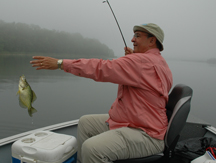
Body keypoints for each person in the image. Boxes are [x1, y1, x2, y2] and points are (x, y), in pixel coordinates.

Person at [30, 23, 173, 163]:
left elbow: (101, 68)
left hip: (147, 135)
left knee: (92, 149)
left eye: (137, 36)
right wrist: (131, 62)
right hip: (137, 122)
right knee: (86, 123)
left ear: (152, 40)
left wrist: (61, 64)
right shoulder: (160, 62)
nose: (132, 39)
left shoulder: (141, 62)